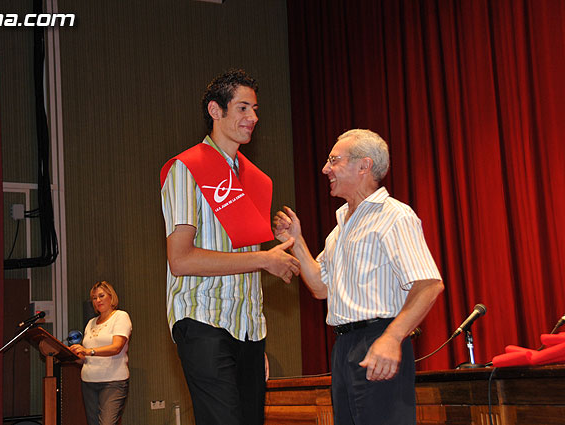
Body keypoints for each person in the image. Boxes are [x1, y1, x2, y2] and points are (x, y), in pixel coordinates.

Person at [273, 129, 444, 425]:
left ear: (364, 166)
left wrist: (392, 337)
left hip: (378, 339)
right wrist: (296, 241)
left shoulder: (394, 216)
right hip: (344, 347)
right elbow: (320, 287)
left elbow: (429, 284)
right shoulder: (340, 228)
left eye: (334, 160)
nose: (325, 169)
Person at [159, 69, 300, 425]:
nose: (253, 117)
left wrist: (252, 339)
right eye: (242, 108)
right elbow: (180, 259)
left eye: (255, 109)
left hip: (247, 328)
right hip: (203, 320)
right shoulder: (186, 169)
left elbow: (248, 264)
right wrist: (264, 259)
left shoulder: (255, 179)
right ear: (215, 110)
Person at [69, 281, 132, 425]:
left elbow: (116, 347)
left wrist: (88, 351)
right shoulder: (91, 323)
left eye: (101, 296)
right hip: (89, 382)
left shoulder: (120, 316)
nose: (98, 300)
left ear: (111, 297)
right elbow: (85, 358)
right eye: (94, 298)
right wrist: (72, 354)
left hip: (113, 383)